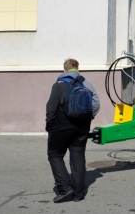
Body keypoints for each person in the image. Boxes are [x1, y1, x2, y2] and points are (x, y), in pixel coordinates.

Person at [45, 58, 100, 203]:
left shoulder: (59, 85)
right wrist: (88, 118)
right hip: (82, 127)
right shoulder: (87, 84)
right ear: (78, 69)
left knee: (55, 155)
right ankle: (78, 194)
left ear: (64, 70)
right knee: (78, 157)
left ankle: (64, 188)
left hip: (60, 128)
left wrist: (49, 124)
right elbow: (96, 104)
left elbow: (51, 107)